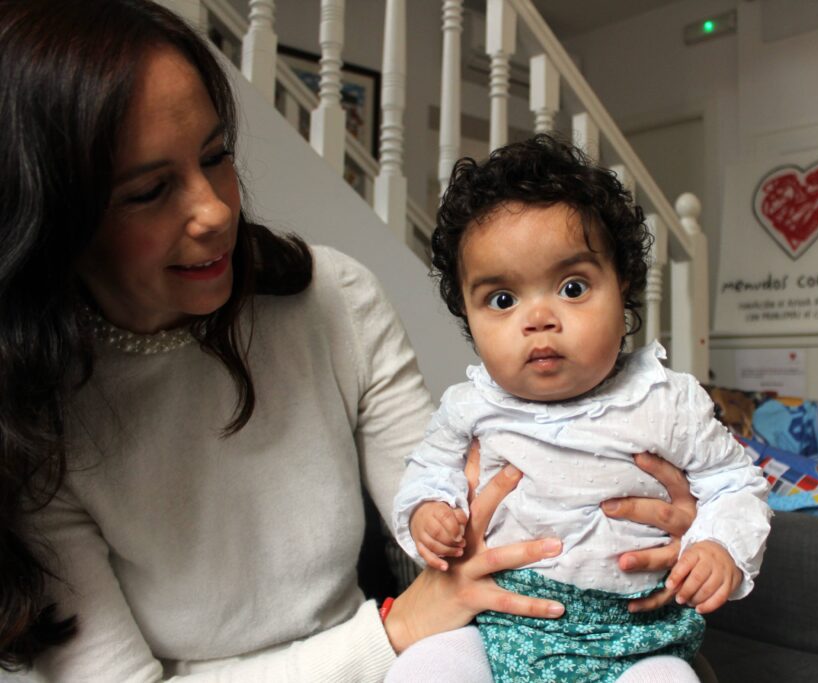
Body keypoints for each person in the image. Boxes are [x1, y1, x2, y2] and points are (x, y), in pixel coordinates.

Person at [0, 1, 698, 680]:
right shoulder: (28, 414)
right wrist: (389, 632)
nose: (214, 209)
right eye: (151, 191)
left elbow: (454, 528)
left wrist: (651, 516)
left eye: (216, 156)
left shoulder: (331, 299)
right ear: (52, 215)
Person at [390, 136, 772, 682]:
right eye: (502, 299)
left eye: (572, 287)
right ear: (468, 318)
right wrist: (430, 511)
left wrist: (718, 544)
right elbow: (428, 473)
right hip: (500, 627)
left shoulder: (664, 400)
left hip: (635, 642)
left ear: (624, 291)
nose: (538, 318)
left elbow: (734, 484)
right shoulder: (470, 407)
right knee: (424, 667)